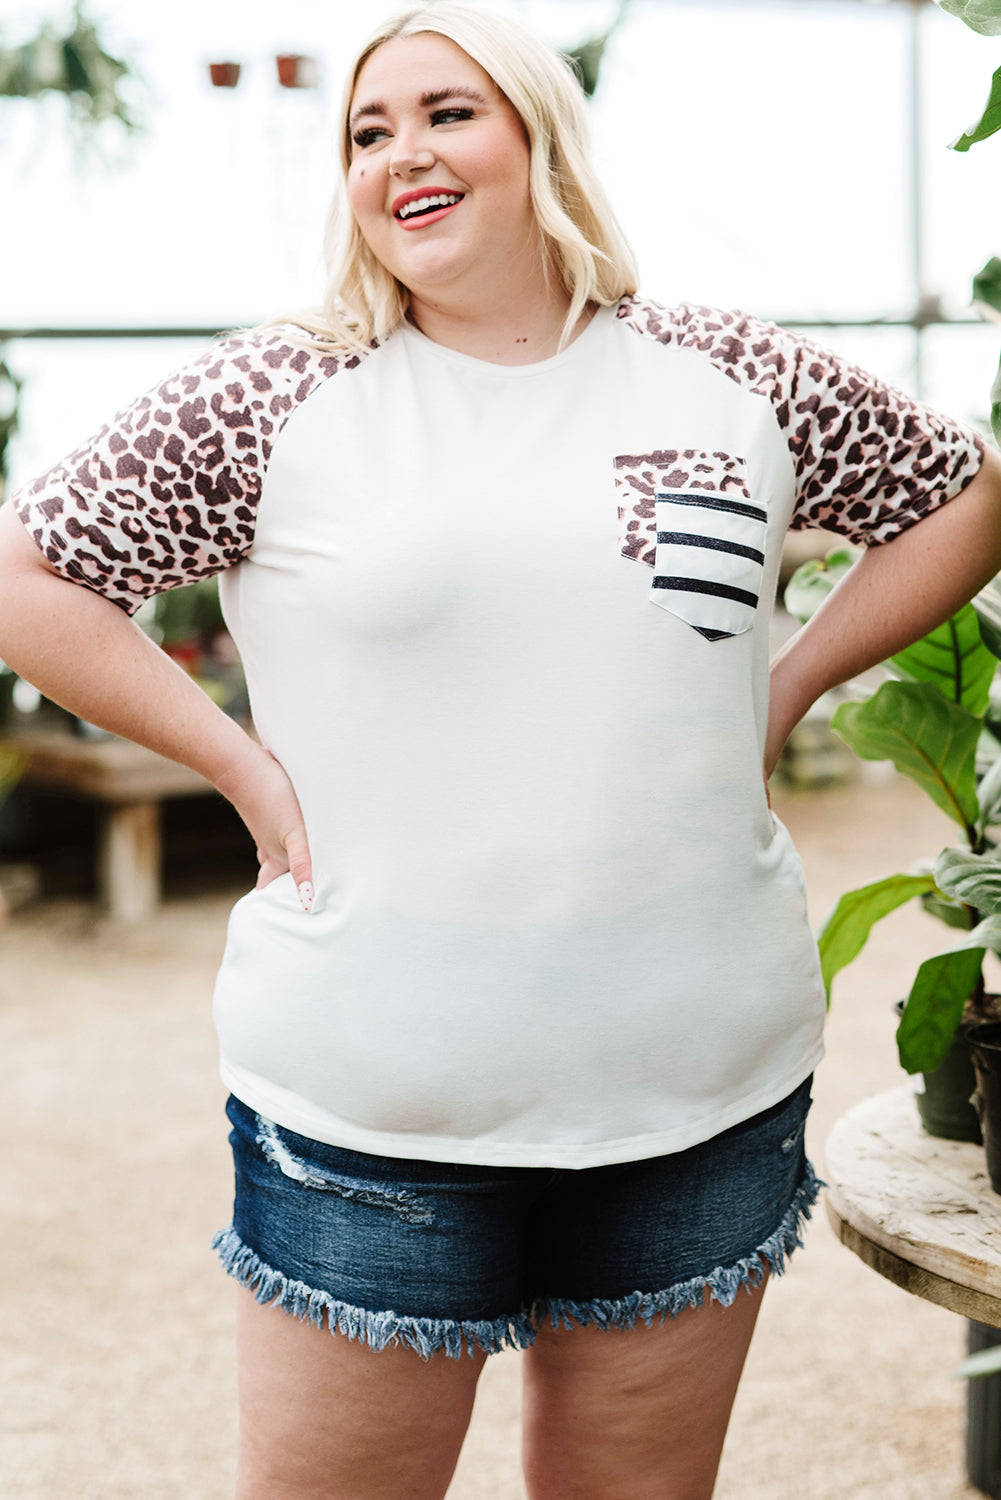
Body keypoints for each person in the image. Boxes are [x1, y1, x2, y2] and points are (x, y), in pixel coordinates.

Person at [2, 4, 1000, 1496]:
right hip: (377, 1108)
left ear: (538, 132)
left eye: (445, 111)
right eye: (366, 129)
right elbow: (32, 577)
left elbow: (959, 491)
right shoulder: (276, 392)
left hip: (699, 1085)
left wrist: (784, 687)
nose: (403, 151)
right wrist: (238, 764)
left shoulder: (726, 372)